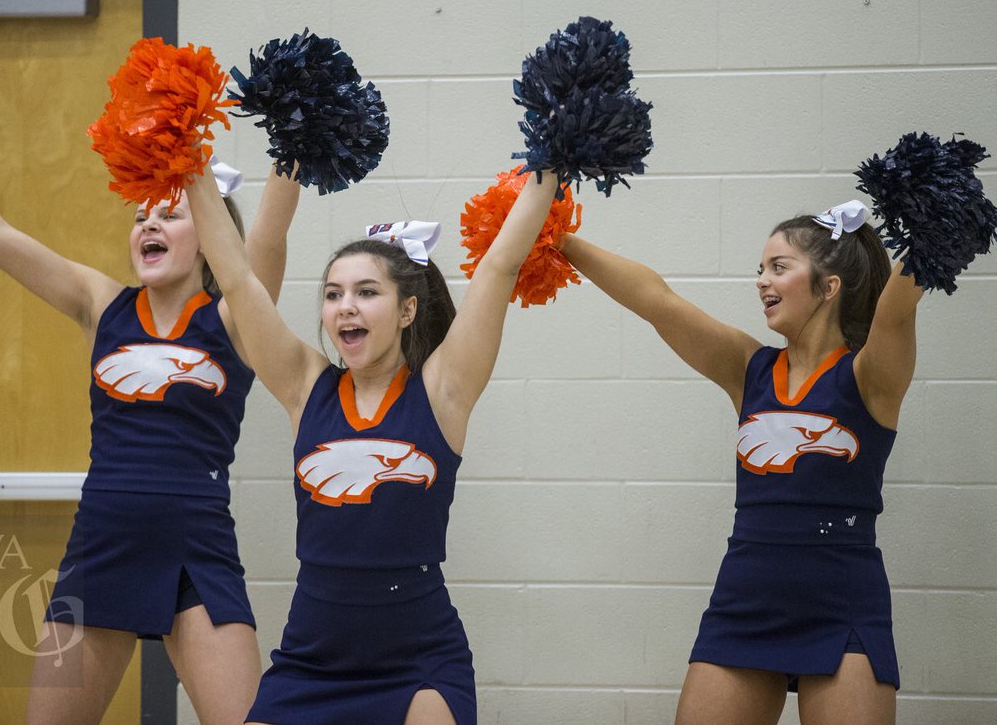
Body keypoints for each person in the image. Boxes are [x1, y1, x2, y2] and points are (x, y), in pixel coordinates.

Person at [0, 150, 300, 725]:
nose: (149, 223)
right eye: (140, 217)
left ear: (210, 236)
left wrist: (292, 145)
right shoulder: (101, 304)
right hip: (103, 544)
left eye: (170, 215)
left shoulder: (235, 318)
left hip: (196, 551)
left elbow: (269, 243)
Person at [184, 159, 561, 724]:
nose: (346, 307)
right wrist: (187, 162)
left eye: (366, 292)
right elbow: (236, 278)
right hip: (312, 658)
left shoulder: (442, 390)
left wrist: (552, 160)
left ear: (408, 309)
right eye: (333, 294)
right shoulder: (303, 385)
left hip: (419, 662)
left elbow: (500, 268)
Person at [560, 201, 922, 725]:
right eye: (760, 269)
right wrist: (557, 241)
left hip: (841, 601)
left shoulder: (869, 377)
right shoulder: (748, 368)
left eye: (779, 267)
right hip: (747, 596)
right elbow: (656, 301)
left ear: (829, 285)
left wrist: (932, 233)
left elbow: (895, 311)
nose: (761, 281)